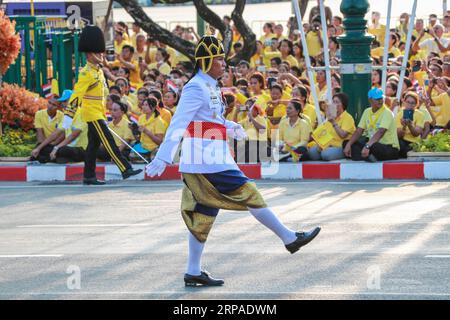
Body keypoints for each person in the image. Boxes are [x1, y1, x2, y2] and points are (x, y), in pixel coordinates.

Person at [145, 36, 321, 287]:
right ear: (205, 62)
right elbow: (180, 122)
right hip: (205, 159)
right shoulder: (196, 87)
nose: (223, 63)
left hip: (212, 156)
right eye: (218, 59)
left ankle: (193, 271)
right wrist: (164, 156)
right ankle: (289, 237)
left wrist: (230, 126)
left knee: (204, 213)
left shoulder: (211, 86)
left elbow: (209, 120)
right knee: (248, 192)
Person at [63, 25, 142, 185]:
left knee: (93, 146)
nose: (102, 55)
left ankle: (89, 176)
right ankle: (125, 169)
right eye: (99, 53)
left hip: (98, 112)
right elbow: (76, 95)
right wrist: (68, 117)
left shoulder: (98, 71)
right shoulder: (86, 73)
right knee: (108, 141)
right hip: (91, 114)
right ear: (90, 54)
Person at [343, 88, 400, 162]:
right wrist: (349, 144)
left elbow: (381, 132)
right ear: (370, 100)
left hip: (390, 148)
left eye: (381, 98)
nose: (380, 101)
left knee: (373, 146)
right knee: (346, 143)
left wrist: (367, 146)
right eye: (377, 99)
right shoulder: (367, 111)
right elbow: (359, 131)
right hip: (373, 144)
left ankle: (364, 156)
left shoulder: (387, 112)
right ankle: (368, 156)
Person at [308, 92, 356, 161]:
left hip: (340, 147)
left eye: (337, 102)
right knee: (311, 153)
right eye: (333, 102)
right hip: (328, 145)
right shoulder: (331, 117)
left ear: (343, 104)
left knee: (325, 154)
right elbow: (322, 133)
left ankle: (342, 155)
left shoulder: (348, 117)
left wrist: (333, 122)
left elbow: (343, 135)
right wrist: (319, 143)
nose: (334, 104)